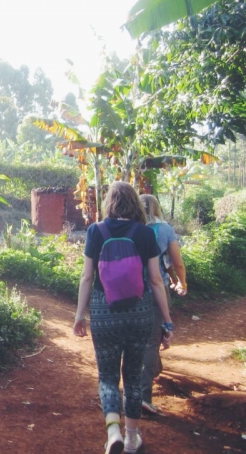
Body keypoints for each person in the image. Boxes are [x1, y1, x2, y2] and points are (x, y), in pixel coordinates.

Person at [73, 182, 174, 454]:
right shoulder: (145, 233)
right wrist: (166, 320)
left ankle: (113, 431)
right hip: (140, 312)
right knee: (131, 376)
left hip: (104, 312)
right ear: (134, 204)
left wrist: (79, 315)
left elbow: (86, 277)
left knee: (107, 376)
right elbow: (155, 280)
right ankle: (131, 439)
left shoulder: (96, 231)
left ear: (110, 203)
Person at [139, 194, 187, 415]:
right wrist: (181, 282)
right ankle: (143, 396)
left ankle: (153, 370)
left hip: (128, 291)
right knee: (152, 339)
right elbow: (175, 261)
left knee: (137, 336)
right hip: (155, 290)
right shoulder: (164, 229)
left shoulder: (131, 227)